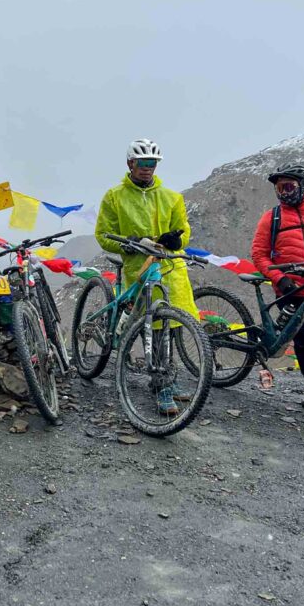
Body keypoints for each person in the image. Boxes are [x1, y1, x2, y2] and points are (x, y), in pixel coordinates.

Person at [95, 138, 198, 415]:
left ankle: (168, 377)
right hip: (139, 269)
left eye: (152, 163)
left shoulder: (171, 197)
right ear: (130, 163)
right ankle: (161, 385)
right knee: (152, 326)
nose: (147, 167)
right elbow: (103, 235)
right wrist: (126, 244)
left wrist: (176, 241)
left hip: (170, 269)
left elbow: (184, 231)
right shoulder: (114, 197)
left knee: (171, 325)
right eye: (142, 163)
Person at [252, 162, 304, 409]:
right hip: (291, 291)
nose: (284, 193)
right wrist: (281, 280)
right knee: (303, 341)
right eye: (280, 188)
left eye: (289, 187)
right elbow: (259, 254)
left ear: (303, 185)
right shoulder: (271, 218)